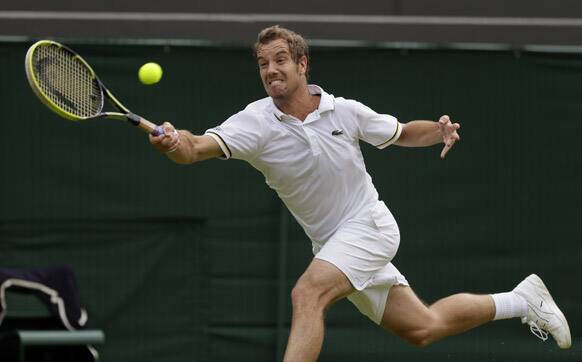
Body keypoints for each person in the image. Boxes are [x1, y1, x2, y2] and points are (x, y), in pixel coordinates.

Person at [149, 25, 571, 361]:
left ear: (302, 64)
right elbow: (195, 147)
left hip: (369, 226)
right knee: (423, 328)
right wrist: (173, 142)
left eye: (280, 60)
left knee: (306, 293)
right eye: (263, 64)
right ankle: (521, 300)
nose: (271, 70)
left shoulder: (345, 111)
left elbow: (404, 132)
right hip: (333, 244)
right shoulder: (253, 123)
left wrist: (438, 131)